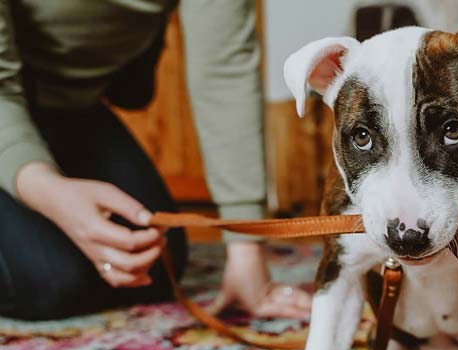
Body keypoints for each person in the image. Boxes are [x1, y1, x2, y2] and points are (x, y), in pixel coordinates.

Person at [0, 0, 311, 320]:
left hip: (73, 110)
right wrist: (47, 189)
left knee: (154, 262)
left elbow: (224, 68)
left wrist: (246, 253)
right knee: (49, 283)